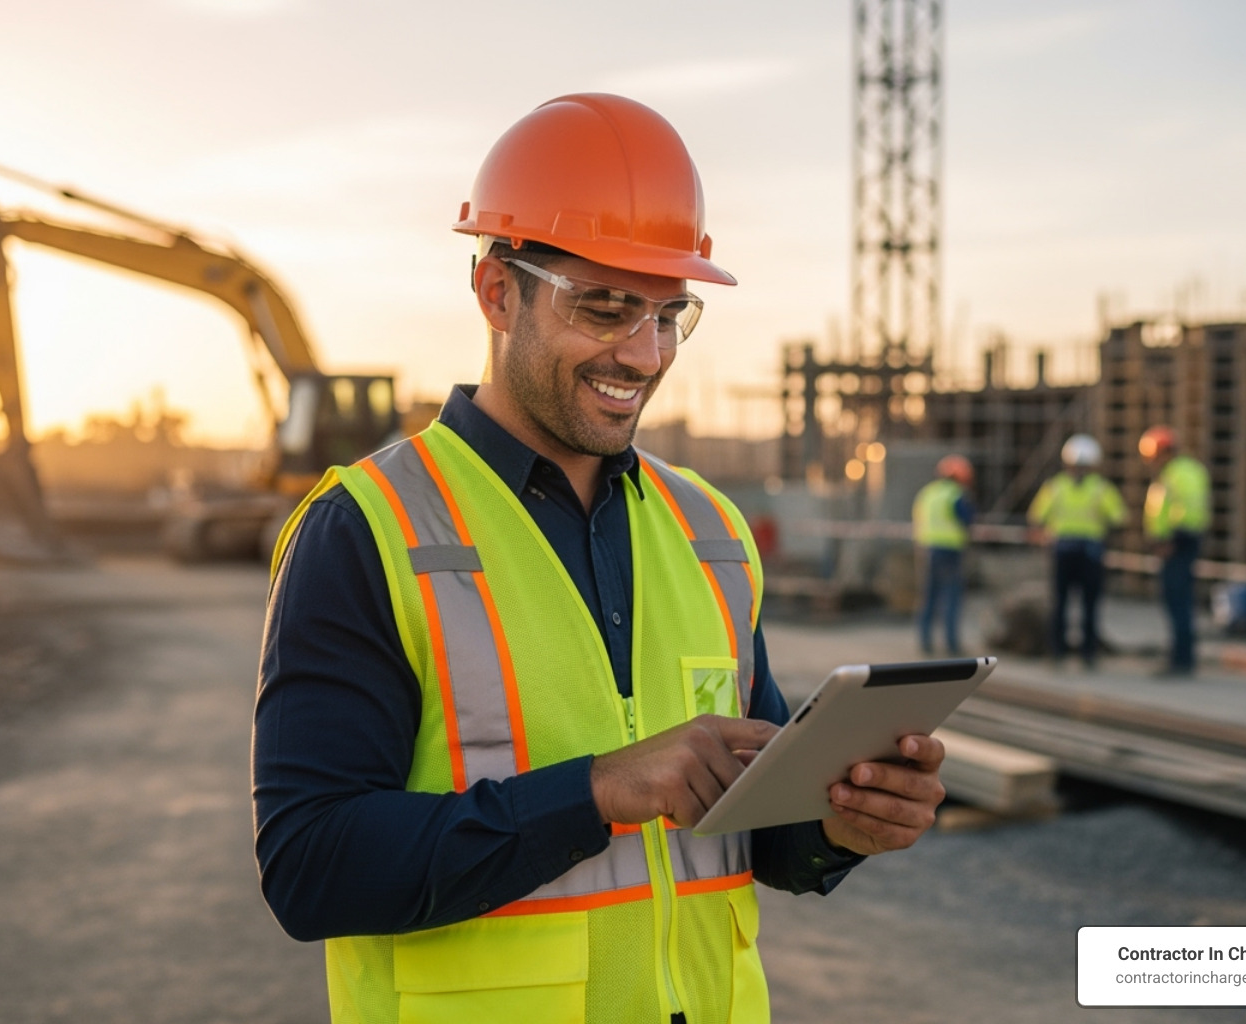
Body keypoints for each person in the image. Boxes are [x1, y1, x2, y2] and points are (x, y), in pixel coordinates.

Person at [252, 94, 947, 1024]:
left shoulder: (710, 534)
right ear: (499, 292)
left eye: (669, 314)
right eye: (605, 307)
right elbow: (310, 866)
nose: (644, 353)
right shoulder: (366, 531)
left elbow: (753, 832)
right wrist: (596, 793)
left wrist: (841, 823)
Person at [1026, 434, 1128, 668]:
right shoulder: (1101, 488)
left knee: (1061, 604)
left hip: (1063, 551)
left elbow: (1036, 516)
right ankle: (1088, 655)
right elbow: (1119, 517)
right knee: (1088, 605)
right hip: (1090, 552)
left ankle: (1057, 653)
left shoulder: (1056, 487)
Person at [1139, 425, 1211, 677]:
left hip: (1178, 545)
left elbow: (1188, 512)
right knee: (1176, 602)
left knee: (1179, 601)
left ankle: (1182, 660)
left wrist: (1173, 541)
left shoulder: (1180, 473)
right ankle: (1180, 657)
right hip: (1174, 544)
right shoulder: (1176, 472)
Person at [912, 455, 975, 655]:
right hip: (950, 551)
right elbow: (967, 519)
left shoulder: (927, 493)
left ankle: (925, 642)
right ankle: (951, 644)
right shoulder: (955, 495)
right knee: (951, 597)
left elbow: (918, 519)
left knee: (929, 596)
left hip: (928, 550)